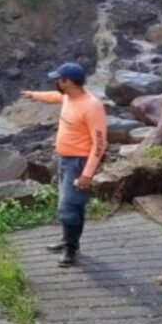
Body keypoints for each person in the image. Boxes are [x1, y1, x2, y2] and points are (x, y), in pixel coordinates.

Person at [22, 62, 108, 267]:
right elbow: (55, 97)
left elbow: (100, 143)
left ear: (68, 82)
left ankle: (70, 249)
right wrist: (34, 95)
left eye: (59, 80)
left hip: (79, 164)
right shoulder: (69, 97)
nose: (56, 83)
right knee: (72, 205)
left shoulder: (92, 106)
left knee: (68, 208)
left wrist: (87, 174)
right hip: (65, 160)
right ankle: (67, 240)